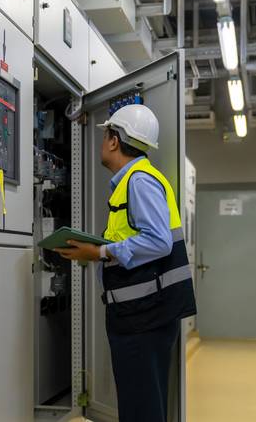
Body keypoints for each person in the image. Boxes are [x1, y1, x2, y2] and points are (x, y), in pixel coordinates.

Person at [56, 104, 196, 422]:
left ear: (115, 140)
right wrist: (99, 249)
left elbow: (158, 241)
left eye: (105, 134)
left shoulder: (139, 181)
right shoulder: (134, 180)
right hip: (140, 316)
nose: (102, 142)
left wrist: (101, 253)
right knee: (141, 406)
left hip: (144, 318)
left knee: (141, 410)